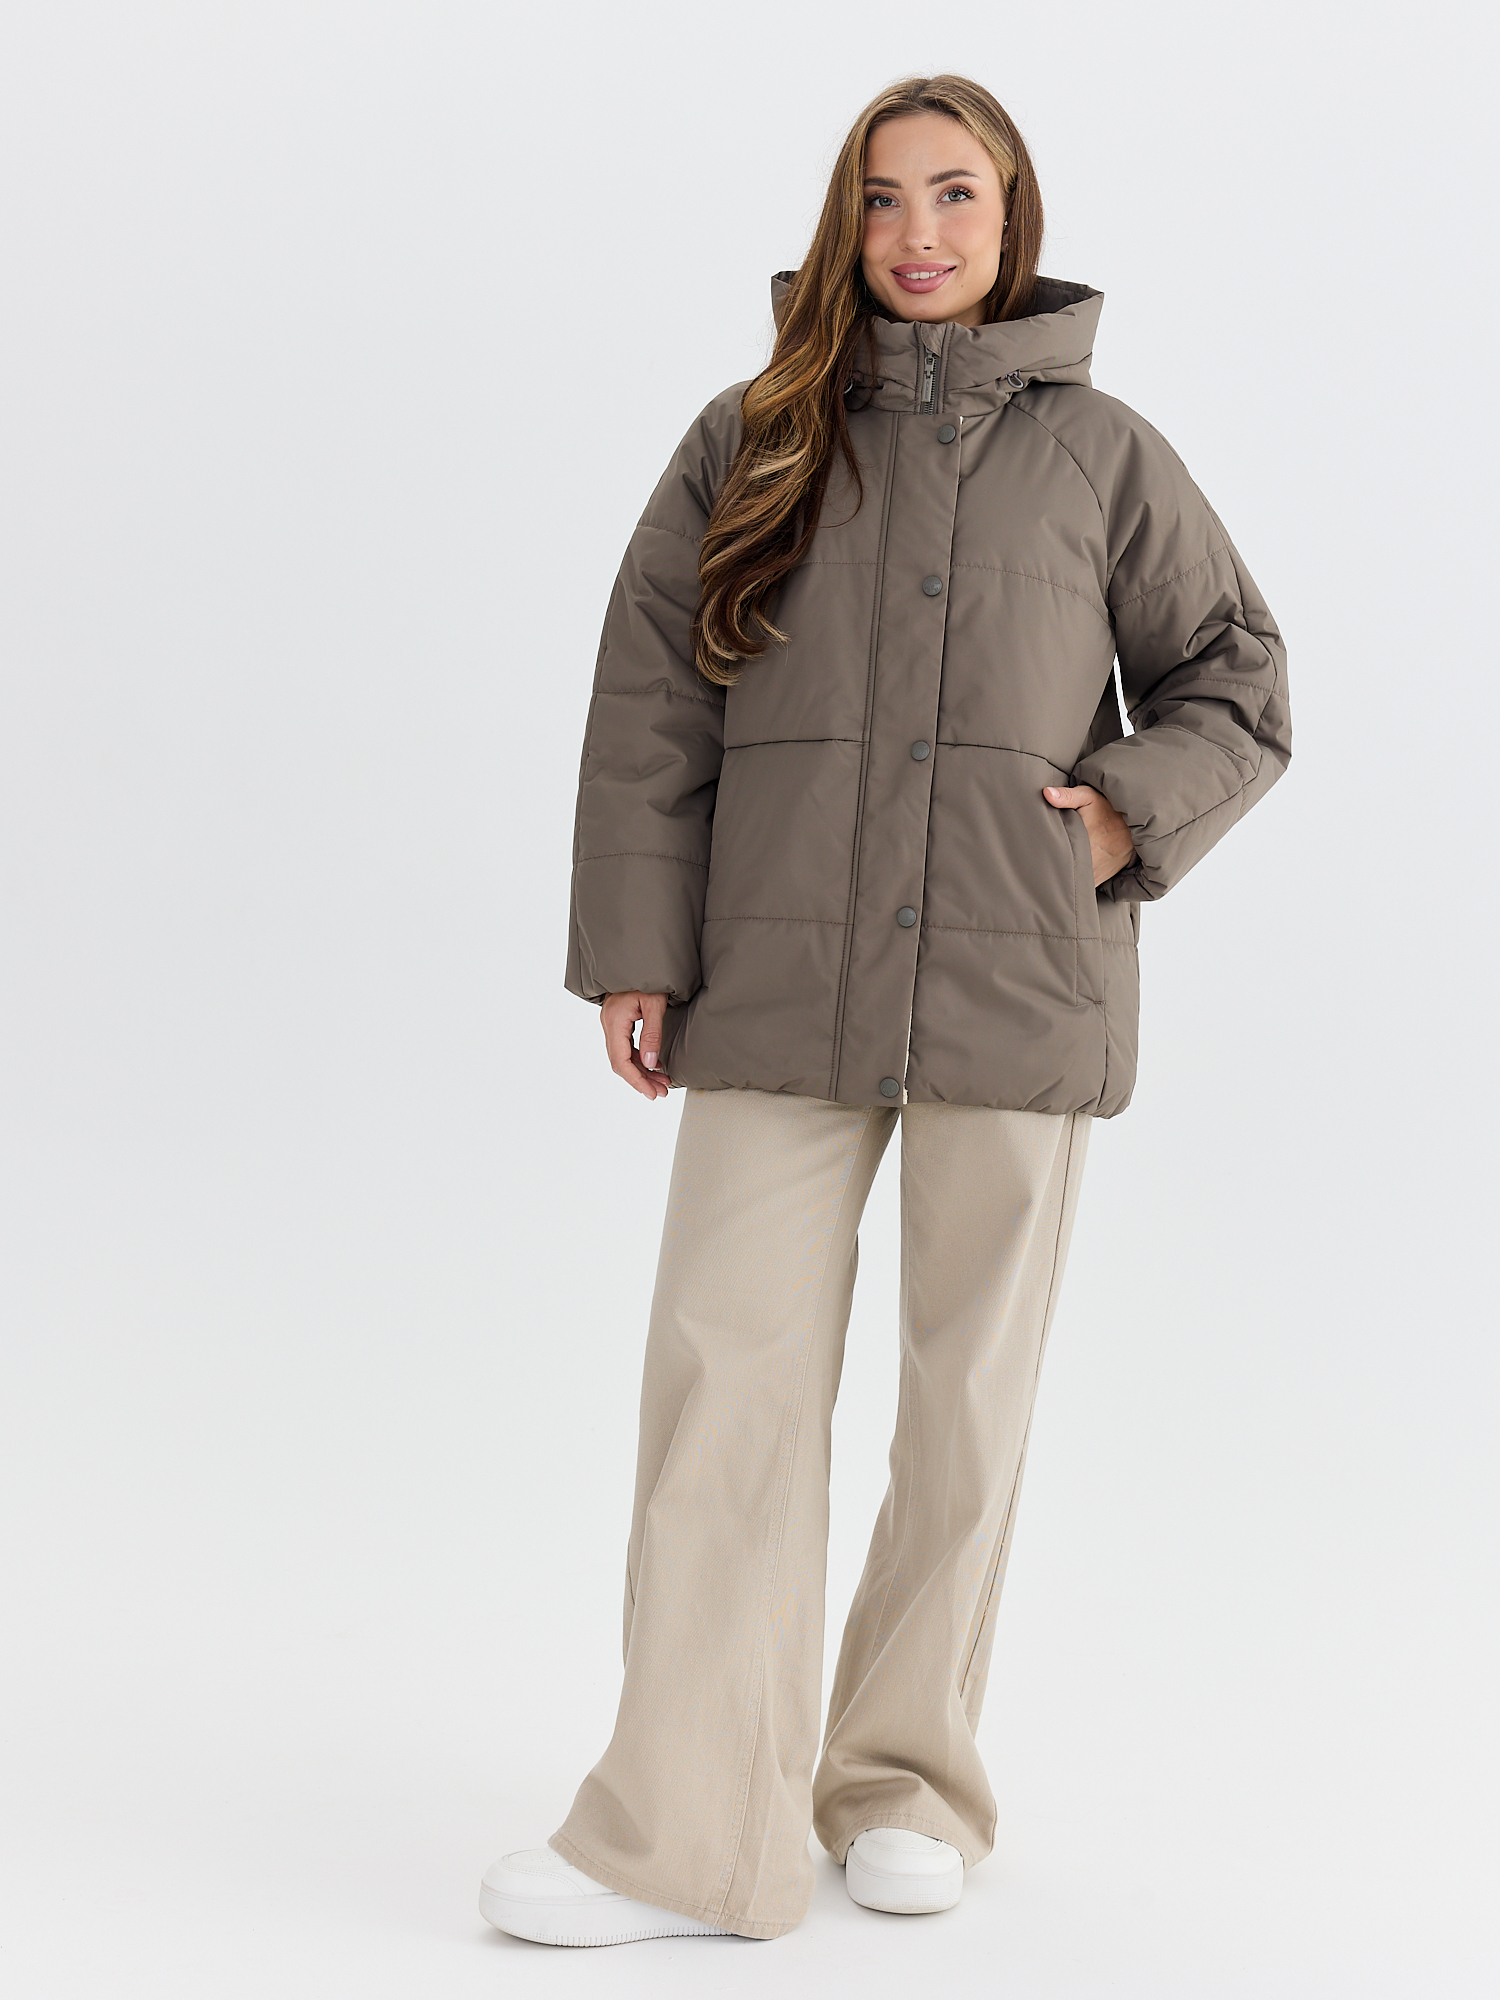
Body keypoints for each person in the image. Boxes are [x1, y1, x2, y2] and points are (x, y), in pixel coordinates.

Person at [481, 72, 1290, 1947]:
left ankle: (906, 1778)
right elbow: (651, 704)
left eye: (957, 195)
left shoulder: (1104, 457)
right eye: (884, 198)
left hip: (1017, 972)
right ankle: (685, 1832)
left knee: (965, 1405)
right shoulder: (751, 435)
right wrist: (637, 948)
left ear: (1014, 217)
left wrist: (1121, 816)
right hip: (774, 976)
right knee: (724, 1387)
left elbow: (1237, 679)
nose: (920, 233)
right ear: (846, 224)